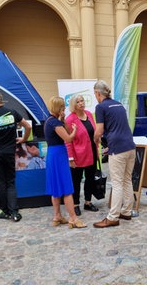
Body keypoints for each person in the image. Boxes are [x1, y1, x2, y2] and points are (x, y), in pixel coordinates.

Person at [0, 90, 31, 222]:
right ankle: (14, 212)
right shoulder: (12, 112)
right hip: (10, 153)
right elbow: (27, 126)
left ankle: (5, 210)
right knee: (10, 182)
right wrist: (23, 139)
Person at [92, 80, 136, 228]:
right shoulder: (118, 104)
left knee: (117, 183)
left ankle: (113, 217)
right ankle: (127, 211)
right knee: (127, 180)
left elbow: (99, 130)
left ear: (98, 94)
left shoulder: (100, 107)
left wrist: (95, 140)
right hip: (130, 145)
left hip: (117, 147)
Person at [44, 96, 86, 228]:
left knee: (55, 188)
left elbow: (64, 131)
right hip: (59, 155)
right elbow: (68, 138)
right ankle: (73, 218)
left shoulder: (50, 121)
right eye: (62, 107)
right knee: (66, 188)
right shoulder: (54, 123)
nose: (64, 109)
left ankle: (57, 216)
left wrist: (64, 121)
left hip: (52, 154)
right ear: (59, 108)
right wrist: (74, 130)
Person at [65, 95, 100, 216]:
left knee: (90, 178)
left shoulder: (89, 114)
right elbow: (68, 141)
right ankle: (75, 204)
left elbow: (94, 131)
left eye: (82, 101)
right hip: (78, 155)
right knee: (76, 180)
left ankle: (88, 202)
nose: (81, 103)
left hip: (92, 152)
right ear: (73, 105)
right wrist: (70, 158)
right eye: (78, 102)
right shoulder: (70, 119)